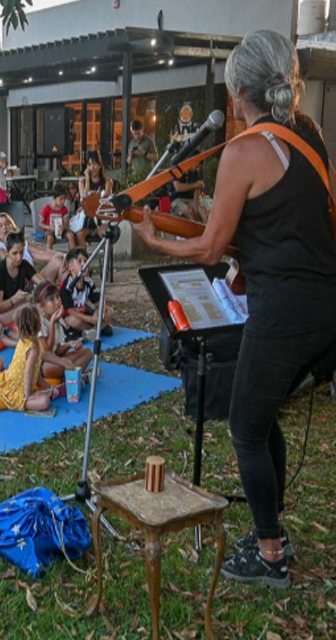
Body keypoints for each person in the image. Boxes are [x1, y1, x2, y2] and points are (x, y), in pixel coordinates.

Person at [132, 30, 336, 589]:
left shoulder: (244, 150)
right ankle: (274, 532)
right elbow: (290, 220)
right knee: (262, 415)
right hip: (325, 306)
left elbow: (208, 248)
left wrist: (156, 242)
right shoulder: (309, 133)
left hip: (284, 311)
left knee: (246, 426)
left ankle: (270, 554)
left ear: (238, 87)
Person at [0, 305, 61, 412]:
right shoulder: (33, 348)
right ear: (39, 326)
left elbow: (35, 373)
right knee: (45, 402)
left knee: (45, 396)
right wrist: (28, 395)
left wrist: (48, 386)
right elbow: (28, 373)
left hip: (15, 384)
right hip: (17, 390)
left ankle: (38, 393)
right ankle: (30, 397)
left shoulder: (23, 341)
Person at [33, 282, 92, 379]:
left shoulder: (57, 319)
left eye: (58, 297)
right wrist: (52, 323)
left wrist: (69, 344)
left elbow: (57, 351)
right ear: (41, 307)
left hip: (56, 360)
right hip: (43, 365)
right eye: (52, 299)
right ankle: (75, 375)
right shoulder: (39, 322)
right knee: (51, 367)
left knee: (88, 352)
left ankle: (71, 376)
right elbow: (46, 352)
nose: (58, 302)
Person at [0, 211, 66, 284]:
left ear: (12, 226)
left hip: (34, 279)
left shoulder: (23, 243)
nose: (4, 227)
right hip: (19, 283)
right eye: (0, 226)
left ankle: (68, 293)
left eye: (7, 223)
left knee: (60, 261)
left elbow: (42, 252)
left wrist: (66, 255)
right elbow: (9, 263)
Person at [59, 247, 114, 339]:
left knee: (110, 311)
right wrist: (91, 320)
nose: (84, 264)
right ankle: (97, 329)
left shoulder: (88, 282)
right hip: (74, 316)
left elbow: (100, 299)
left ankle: (93, 331)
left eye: (86, 261)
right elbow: (70, 311)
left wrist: (101, 312)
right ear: (70, 267)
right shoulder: (66, 286)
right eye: (79, 261)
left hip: (85, 312)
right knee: (72, 321)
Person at [0, 231, 42, 325]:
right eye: (14, 253)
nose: (19, 257)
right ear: (7, 252)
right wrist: (14, 299)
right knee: (30, 307)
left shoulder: (24, 265)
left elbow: (41, 282)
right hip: (0, 315)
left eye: (21, 252)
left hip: (17, 305)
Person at [75, 151, 114, 247]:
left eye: (95, 164)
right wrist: (87, 179)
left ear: (100, 166)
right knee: (79, 235)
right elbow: (83, 199)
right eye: (89, 164)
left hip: (101, 218)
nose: (92, 167)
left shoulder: (107, 182)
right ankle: (84, 260)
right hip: (87, 220)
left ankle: (106, 260)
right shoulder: (82, 182)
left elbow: (107, 200)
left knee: (107, 234)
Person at [39, 185, 72, 250]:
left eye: (64, 199)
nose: (63, 201)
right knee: (50, 238)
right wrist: (49, 227)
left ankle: (73, 254)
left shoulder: (64, 209)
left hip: (61, 229)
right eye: (61, 199)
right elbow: (40, 223)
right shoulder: (47, 209)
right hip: (50, 230)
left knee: (71, 235)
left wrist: (63, 227)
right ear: (54, 198)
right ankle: (49, 254)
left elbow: (66, 223)